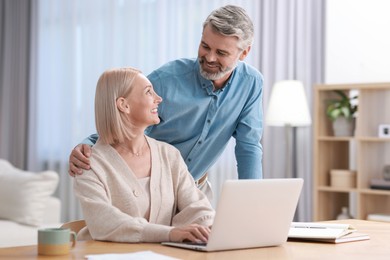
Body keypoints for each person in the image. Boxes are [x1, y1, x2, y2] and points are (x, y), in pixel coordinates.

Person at [69, 5, 264, 200]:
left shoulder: (251, 83)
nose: (210, 57)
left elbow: (249, 146)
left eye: (221, 53)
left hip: (196, 189)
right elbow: (123, 121)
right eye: (205, 46)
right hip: (152, 192)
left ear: (244, 53)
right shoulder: (167, 79)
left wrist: (253, 199)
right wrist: (88, 144)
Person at [74, 67, 214, 243]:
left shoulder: (169, 154)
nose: (159, 98)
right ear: (124, 105)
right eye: (149, 92)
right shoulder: (89, 164)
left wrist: (209, 227)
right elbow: (104, 222)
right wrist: (170, 234)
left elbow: (196, 205)